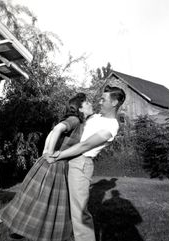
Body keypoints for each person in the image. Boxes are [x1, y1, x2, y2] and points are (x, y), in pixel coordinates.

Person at [0, 92, 93, 241]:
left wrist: (48, 152)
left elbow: (55, 134)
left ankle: (31, 232)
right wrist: (49, 153)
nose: (90, 104)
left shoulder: (81, 123)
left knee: (48, 209)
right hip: (51, 168)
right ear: (80, 108)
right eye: (87, 103)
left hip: (58, 168)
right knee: (27, 204)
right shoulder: (74, 119)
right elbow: (57, 129)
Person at [47, 85, 126, 241]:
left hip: (80, 163)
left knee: (79, 212)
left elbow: (85, 145)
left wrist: (58, 155)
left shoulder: (111, 126)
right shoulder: (97, 117)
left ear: (115, 102)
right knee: (64, 204)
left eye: (103, 99)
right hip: (70, 159)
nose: (99, 101)